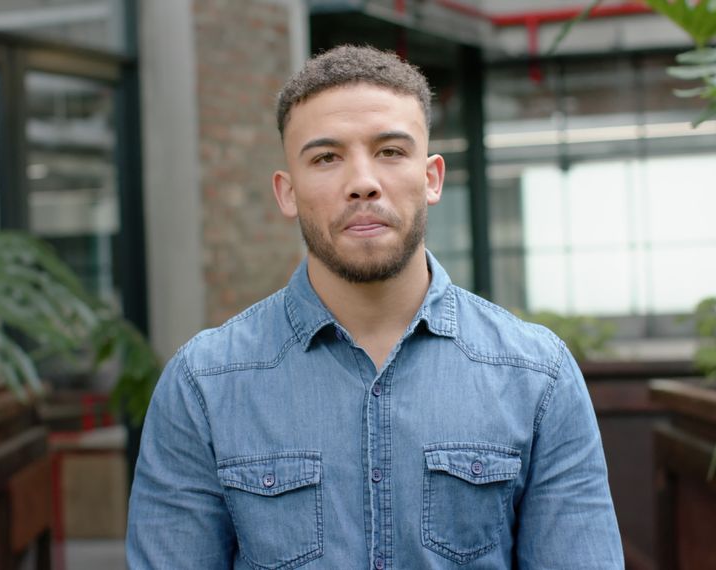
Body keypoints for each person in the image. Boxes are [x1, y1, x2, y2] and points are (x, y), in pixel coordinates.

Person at [126, 44, 624, 569]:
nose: (362, 182)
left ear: (431, 177)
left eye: (390, 151)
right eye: (326, 157)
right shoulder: (203, 384)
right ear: (287, 191)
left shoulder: (537, 376)